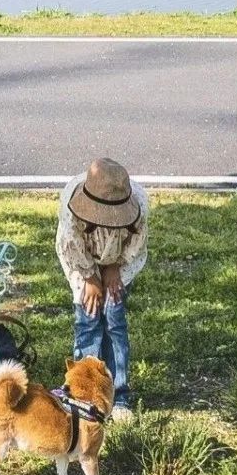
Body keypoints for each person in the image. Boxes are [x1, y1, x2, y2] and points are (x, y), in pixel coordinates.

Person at [55, 158, 148, 422]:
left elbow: (137, 243)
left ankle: (118, 395)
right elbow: (70, 244)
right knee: (89, 319)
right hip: (81, 262)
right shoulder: (72, 205)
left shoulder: (139, 204)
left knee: (114, 321)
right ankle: (84, 394)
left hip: (120, 262)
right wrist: (90, 277)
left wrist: (114, 268)